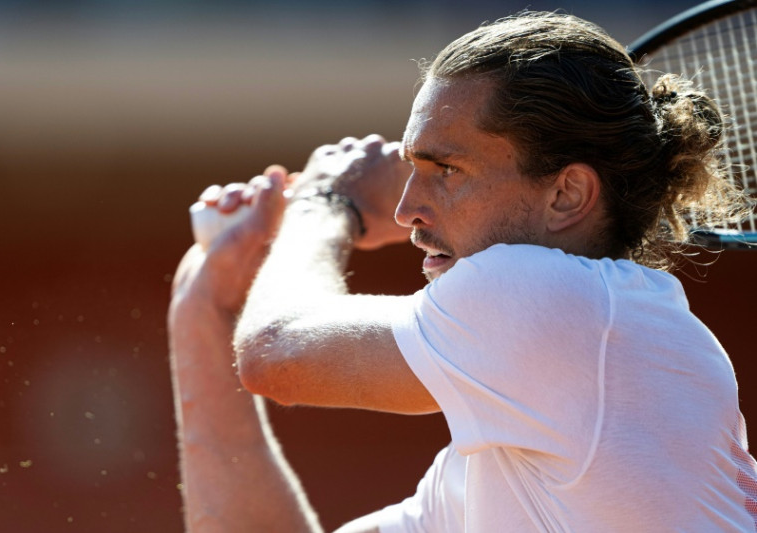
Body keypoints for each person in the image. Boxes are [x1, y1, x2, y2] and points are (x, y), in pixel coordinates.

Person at [168, 11, 757, 532]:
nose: (405, 210)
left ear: (567, 195)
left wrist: (325, 203)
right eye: (411, 168)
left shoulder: (553, 300)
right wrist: (203, 305)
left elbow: (275, 352)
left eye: (446, 169)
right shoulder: (523, 429)